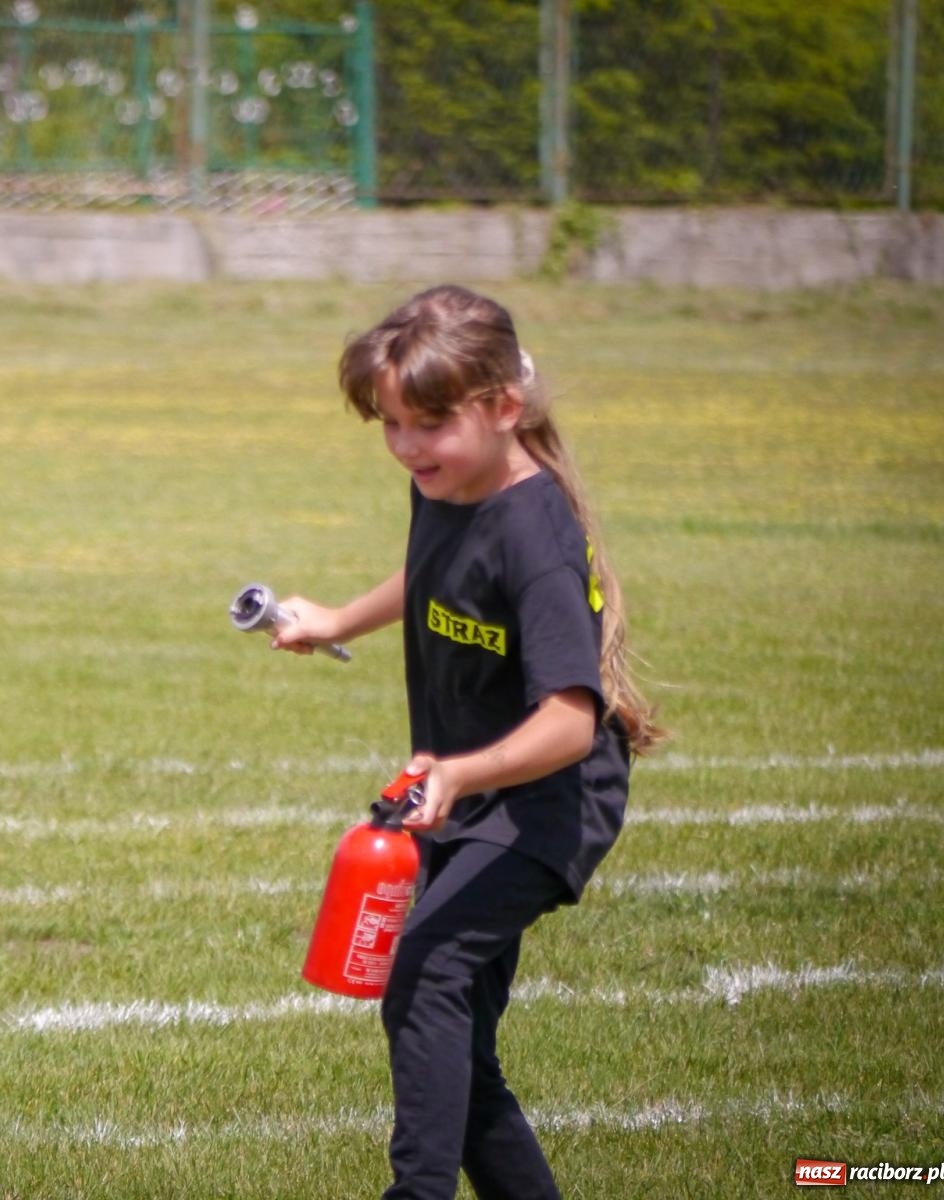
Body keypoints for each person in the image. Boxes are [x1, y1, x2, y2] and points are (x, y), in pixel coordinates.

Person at [269, 284, 665, 1200]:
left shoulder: (538, 536)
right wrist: (337, 618)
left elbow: (572, 721)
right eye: (391, 425)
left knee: (425, 975)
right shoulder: (449, 483)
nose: (407, 447)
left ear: (503, 408)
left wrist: (459, 772)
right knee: (454, 1036)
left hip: (548, 798)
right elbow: (433, 570)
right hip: (474, 790)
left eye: (429, 424)